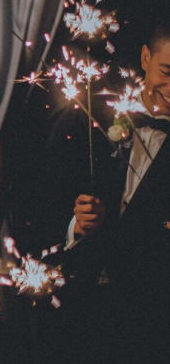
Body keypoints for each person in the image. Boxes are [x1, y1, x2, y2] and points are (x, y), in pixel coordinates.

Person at [63, 20, 170, 362]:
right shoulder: (91, 116)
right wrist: (76, 226)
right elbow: (44, 200)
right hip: (82, 302)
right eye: (166, 70)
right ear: (144, 57)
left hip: (151, 313)